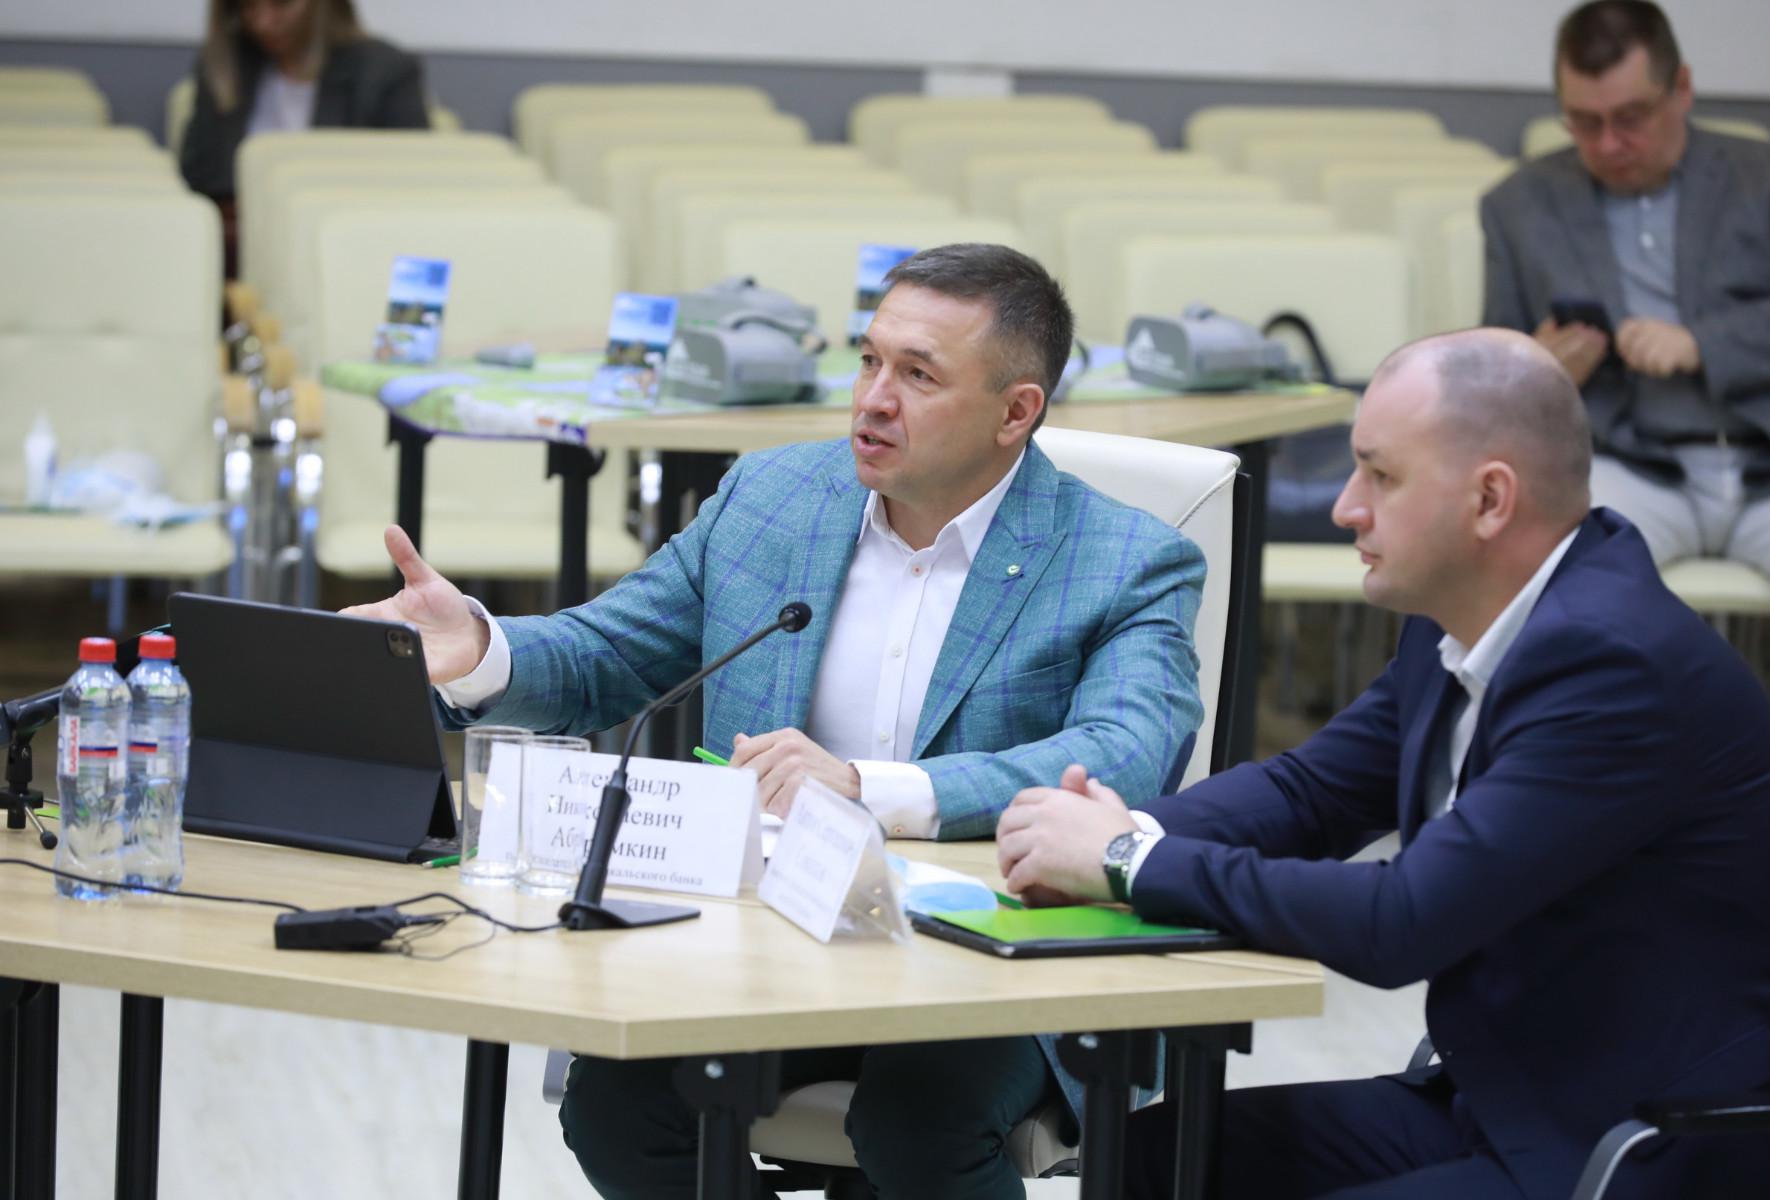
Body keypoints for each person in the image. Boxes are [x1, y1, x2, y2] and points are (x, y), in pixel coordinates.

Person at [345, 243, 1206, 1198]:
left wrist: (865, 789)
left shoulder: (1127, 559)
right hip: (776, 935)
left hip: (996, 963)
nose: (873, 399)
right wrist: (479, 645)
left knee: (919, 1123)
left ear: (1017, 412)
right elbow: (608, 654)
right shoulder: (770, 500)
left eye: (918, 376)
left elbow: (1123, 752)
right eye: (869, 361)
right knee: (616, 1104)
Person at [996, 328, 1770, 1199]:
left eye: (1380, 476)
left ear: (1490, 500)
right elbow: (1312, 793)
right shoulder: (1465, 615)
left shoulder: (1611, 663)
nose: (1345, 507)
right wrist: (1109, 830)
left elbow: (1405, 920)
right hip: (1511, 1100)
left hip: (1647, 1143)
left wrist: (1126, 859)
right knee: (1146, 1160)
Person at [1480, 0, 1770, 741]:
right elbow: (1491, 373)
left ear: (1681, 88)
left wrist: (1704, 343)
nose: (1610, 143)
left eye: (1631, 117)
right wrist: (1538, 367)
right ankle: (1574, 794)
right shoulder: (1518, 206)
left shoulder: (1769, 176)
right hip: (1626, 460)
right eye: (1584, 122)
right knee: (1548, 598)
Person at [179, 0, 429, 271]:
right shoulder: (226, 64)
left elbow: (412, 193)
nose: (263, 23)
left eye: (281, 4)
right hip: (238, 261)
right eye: (248, 6)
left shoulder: (385, 72)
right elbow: (197, 177)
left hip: (354, 259)